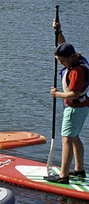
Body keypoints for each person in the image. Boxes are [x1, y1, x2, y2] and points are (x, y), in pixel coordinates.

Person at [45, 20, 89, 184]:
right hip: (82, 107)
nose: (61, 64)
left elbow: (73, 93)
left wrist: (57, 94)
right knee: (75, 137)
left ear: (70, 58)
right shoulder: (78, 58)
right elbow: (63, 44)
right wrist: (59, 31)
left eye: (62, 61)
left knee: (67, 139)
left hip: (75, 108)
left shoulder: (77, 71)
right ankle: (79, 170)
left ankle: (63, 176)